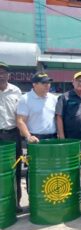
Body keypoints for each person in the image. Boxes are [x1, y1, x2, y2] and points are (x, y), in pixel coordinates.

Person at [56, 72, 81, 201]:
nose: (80, 83)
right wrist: (61, 136)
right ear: (72, 82)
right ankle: (73, 194)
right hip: (73, 140)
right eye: (78, 80)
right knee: (73, 168)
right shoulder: (64, 97)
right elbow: (59, 117)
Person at [0, 62, 23, 212]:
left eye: (4, 72)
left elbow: (20, 115)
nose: (1, 75)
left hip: (12, 134)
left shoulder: (16, 91)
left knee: (15, 168)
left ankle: (16, 202)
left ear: (8, 75)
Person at [16, 72, 58, 143]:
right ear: (34, 84)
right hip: (35, 138)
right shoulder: (25, 99)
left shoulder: (54, 98)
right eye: (43, 83)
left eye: (48, 82)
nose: (47, 85)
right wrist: (28, 136)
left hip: (53, 137)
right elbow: (20, 121)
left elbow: (57, 118)